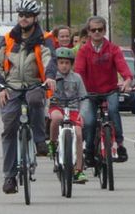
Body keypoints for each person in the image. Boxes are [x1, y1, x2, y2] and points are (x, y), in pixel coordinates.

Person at [0, 0, 56, 194]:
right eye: (21, 15)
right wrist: (1, 87)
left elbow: (49, 60)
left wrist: (50, 77)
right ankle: (9, 177)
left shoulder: (44, 38)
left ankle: (39, 140)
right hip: (11, 87)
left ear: (35, 18)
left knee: (36, 99)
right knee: (9, 129)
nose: (23, 19)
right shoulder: (7, 38)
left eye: (27, 16)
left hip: (34, 84)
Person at [74, 16, 132, 167]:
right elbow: (78, 72)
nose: (97, 32)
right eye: (93, 30)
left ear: (105, 31)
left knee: (113, 110)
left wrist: (127, 79)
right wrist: (78, 90)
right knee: (90, 121)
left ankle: (120, 145)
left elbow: (122, 66)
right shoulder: (83, 51)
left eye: (100, 29)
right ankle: (89, 151)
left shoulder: (113, 49)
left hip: (110, 90)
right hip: (90, 92)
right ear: (88, 32)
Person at [48, 47, 88, 184]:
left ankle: (78, 170)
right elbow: (44, 96)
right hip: (56, 106)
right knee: (57, 118)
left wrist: (82, 114)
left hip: (73, 109)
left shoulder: (77, 78)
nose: (64, 66)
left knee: (78, 133)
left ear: (71, 64)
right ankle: (52, 143)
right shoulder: (51, 77)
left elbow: (84, 97)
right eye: (61, 63)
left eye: (67, 63)